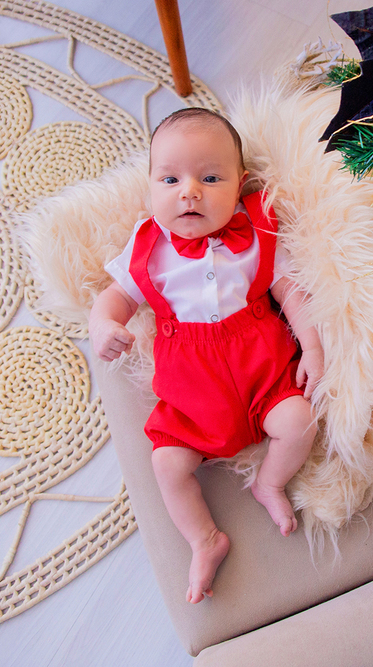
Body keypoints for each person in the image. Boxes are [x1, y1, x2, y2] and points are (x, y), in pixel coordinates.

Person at [88, 108, 323, 604]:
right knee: (168, 465)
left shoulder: (257, 229)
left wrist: (314, 344)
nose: (189, 191)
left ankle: (270, 482)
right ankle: (204, 539)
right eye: (170, 178)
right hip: (191, 388)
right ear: (151, 188)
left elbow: (292, 292)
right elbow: (117, 297)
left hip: (262, 369)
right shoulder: (148, 246)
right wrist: (103, 324)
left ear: (240, 185)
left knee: (300, 420)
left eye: (210, 177)